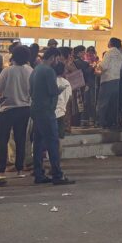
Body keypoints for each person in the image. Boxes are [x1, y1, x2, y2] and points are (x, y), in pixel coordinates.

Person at [30, 48, 73, 185]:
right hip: (47, 110)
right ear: (53, 57)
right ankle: (57, 175)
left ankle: (38, 173)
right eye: (57, 59)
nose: (58, 62)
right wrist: (59, 90)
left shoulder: (36, 69)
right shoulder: (48, 71)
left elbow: (30, 90)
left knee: (38, 143)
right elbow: (53, 90)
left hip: (36, 109)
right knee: (53, 143)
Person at [0, 45, 33, 175]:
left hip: (7, 109)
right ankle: (19, 168)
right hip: (24, 108)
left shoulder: (7, 71)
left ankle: (1, 169)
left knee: (2, 139)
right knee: (21, 139)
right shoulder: (30, 71)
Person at [96, 37, 122, 129]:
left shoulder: (109, 53)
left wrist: (97, 67)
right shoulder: (120, 54)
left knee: (103, 102)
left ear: (111, 43)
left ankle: (100, 122)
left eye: (109, 41)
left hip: (107, 80)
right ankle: (111, 122)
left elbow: (103, 66)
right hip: (116, 80)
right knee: (113, 103)